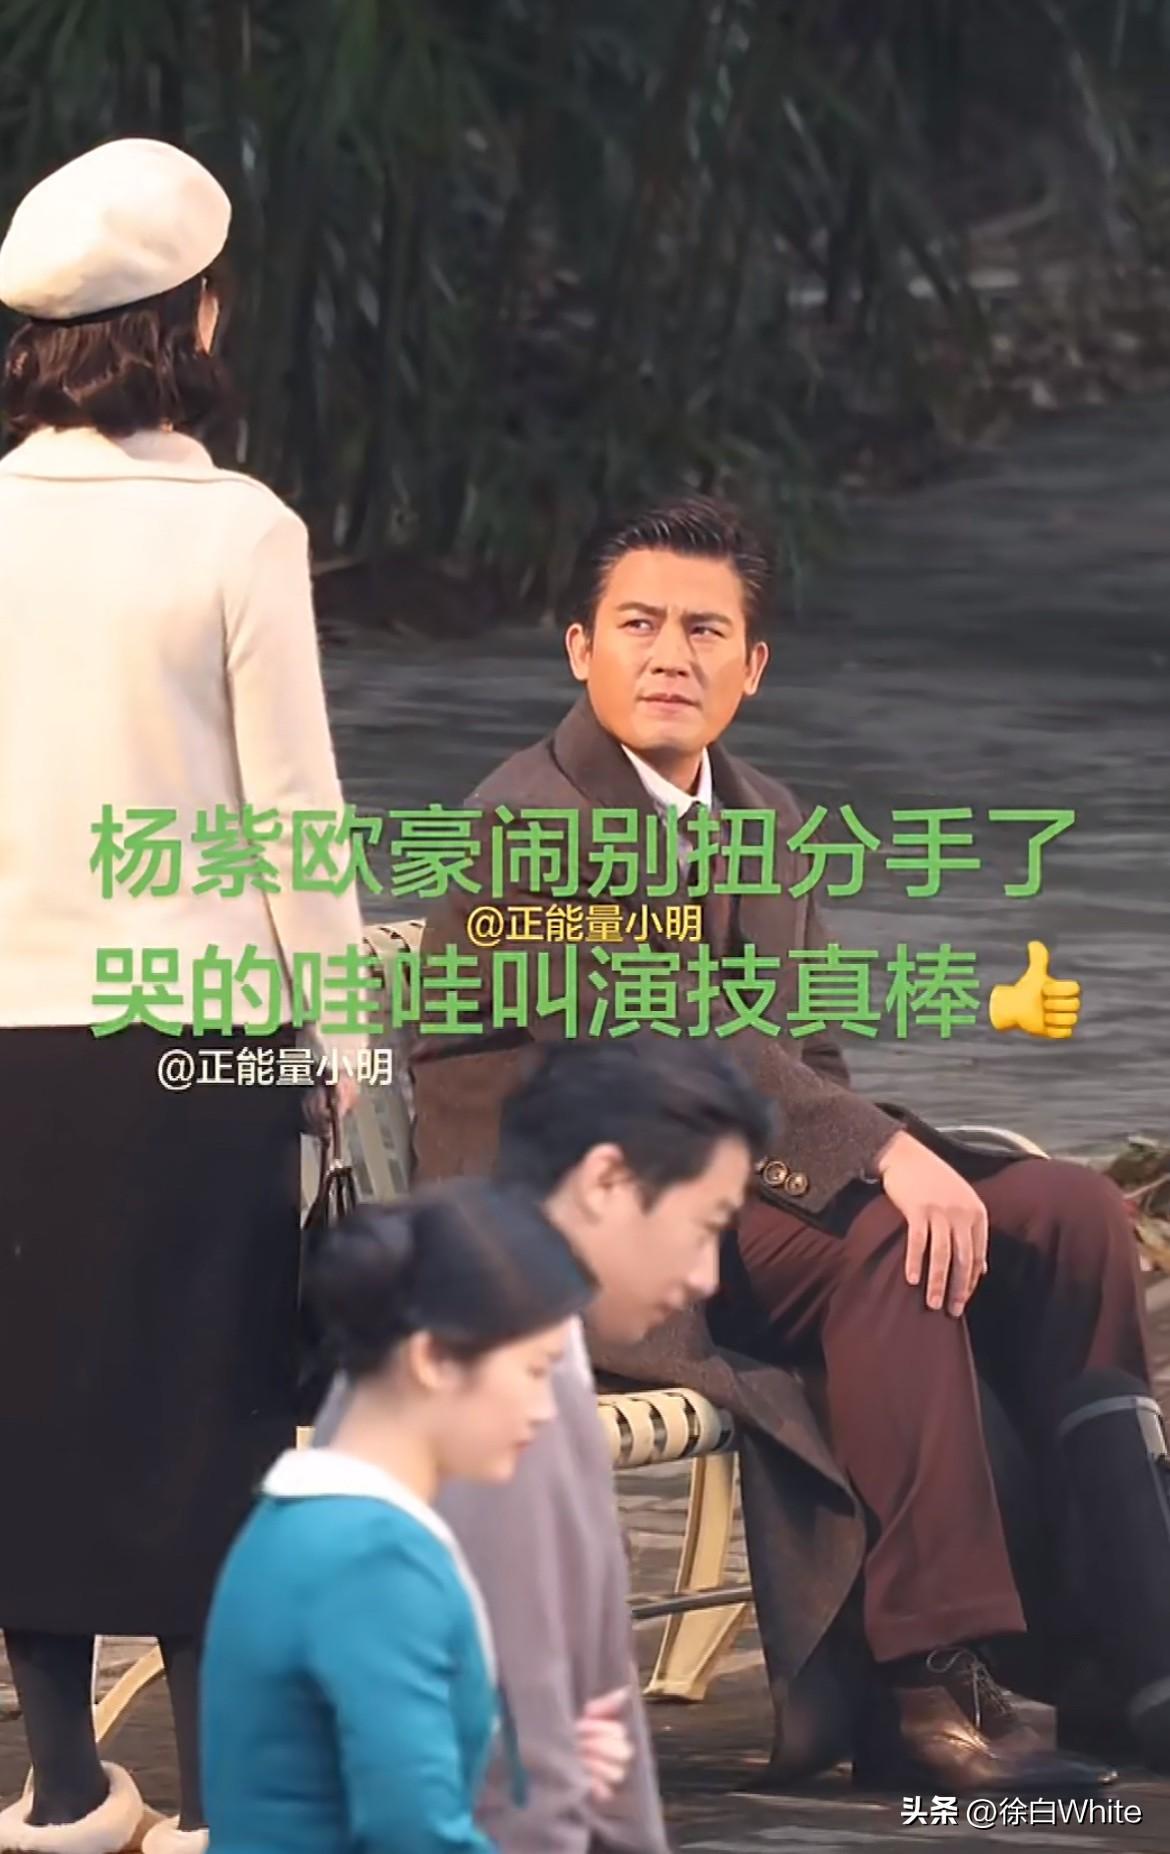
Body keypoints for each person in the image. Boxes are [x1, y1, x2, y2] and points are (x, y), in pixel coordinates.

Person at [409, 492, 1150, 1791]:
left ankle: (1125, 1649)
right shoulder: (523, 820)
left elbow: (806, 1061)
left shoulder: (765, 813)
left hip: (734, 1186)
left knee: (1072, 1214)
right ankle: (918, 1686)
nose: (670, 655)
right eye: (638, 624)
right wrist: (877, 1158)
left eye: (705, 631)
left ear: (752, 666)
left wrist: (880, 1148)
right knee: (888, 1236)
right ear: (579, 647)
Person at [0, 140, 365, 1853]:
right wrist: (346, 1049)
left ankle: (62, 1781)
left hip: (11, 1036)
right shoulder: (239, 529)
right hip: (201, 1036)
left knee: (36, 1395)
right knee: (209, 1408)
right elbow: (292, 818)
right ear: (189, 320)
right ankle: (229, 1801)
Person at [318, 1037, 772, 1853]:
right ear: (605, 1181)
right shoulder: (499, 1378)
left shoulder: (503, 1323)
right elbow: (516, 1751)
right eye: (702, 1227)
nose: (708, 1275)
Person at [200, 1178, 616, 1854]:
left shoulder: (308, 1526)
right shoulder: (372, 1558)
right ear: (434, 1359)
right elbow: (414, 1832)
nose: (545, 1410)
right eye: (535, 1371)